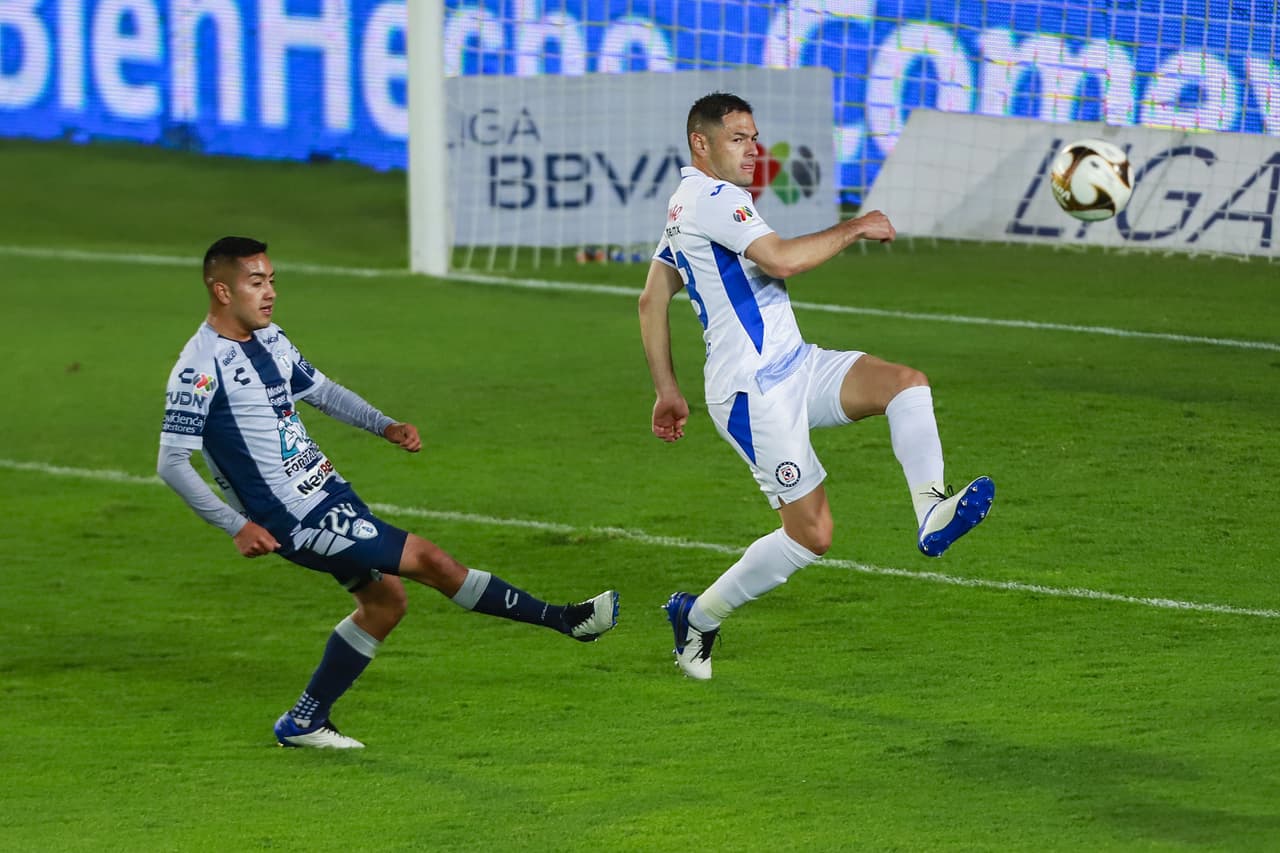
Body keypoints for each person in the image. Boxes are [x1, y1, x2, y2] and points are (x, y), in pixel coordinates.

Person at [158, 236, 618, 748]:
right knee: (429, 560)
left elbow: (323, 392)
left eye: (272, 281)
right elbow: (172, 462)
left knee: (384, 604)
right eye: (256, 283)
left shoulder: (270, 340)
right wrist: (236, 525)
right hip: (294, 518)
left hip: (328, 492)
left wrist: (384, 426)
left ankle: (304, 722)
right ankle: (566, 620)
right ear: (222, 290)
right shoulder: (198, 368)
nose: (269, 293)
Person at [638, 93, 994, 681]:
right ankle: (698, 616)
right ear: (701, 143)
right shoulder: (712, 197)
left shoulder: (685, 204)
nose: (753, 150)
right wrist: (856, 226)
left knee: (904, 385)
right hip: (753, 394)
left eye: (755, 137)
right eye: (738, 139)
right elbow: (779, 261)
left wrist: (666, 391)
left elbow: (652, 299)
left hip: (795, 364)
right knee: (813, 534)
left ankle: (933, 509)